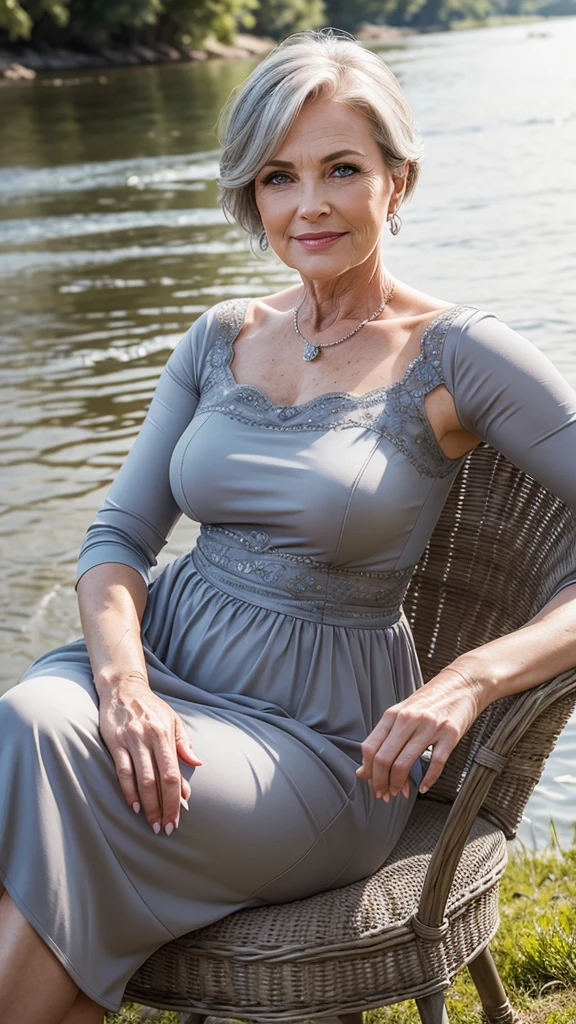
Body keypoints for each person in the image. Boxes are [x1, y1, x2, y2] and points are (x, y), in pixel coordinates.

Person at [1, 26, 575, 1024]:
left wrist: (472, 676)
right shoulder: (218, 338)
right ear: (250, 195)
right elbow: (116, 542)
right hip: (161, 674)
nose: (309, 204)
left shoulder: (459, 354)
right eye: (279, 176)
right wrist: (127, 688)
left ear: (397, 180)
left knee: (52, 761)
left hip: (319, 748)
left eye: (341, 168)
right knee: (33, 722)